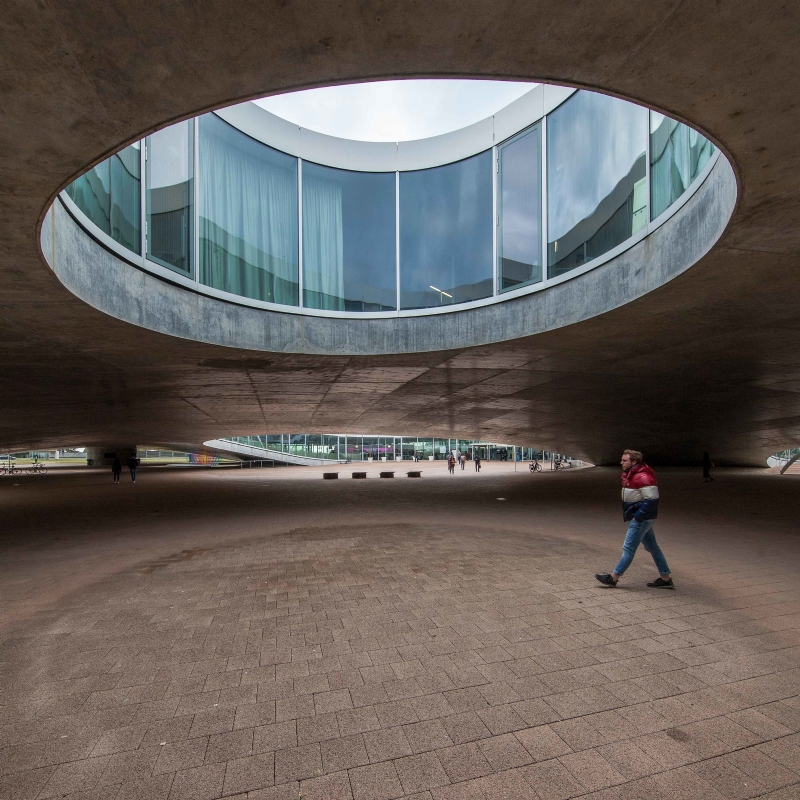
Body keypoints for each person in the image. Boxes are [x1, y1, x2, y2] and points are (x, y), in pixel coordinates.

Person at [595, 450, 674, 589]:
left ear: (634, 462)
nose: (621, 462)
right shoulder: (632, 474)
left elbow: (652, 500)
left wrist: (638, 517)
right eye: (622, 460)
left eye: (625, 460)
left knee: (628, 548)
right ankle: (665, 578)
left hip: (641, 519)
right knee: (653, 547)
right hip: (643, 518)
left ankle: (614, 577)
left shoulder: (643, 476)